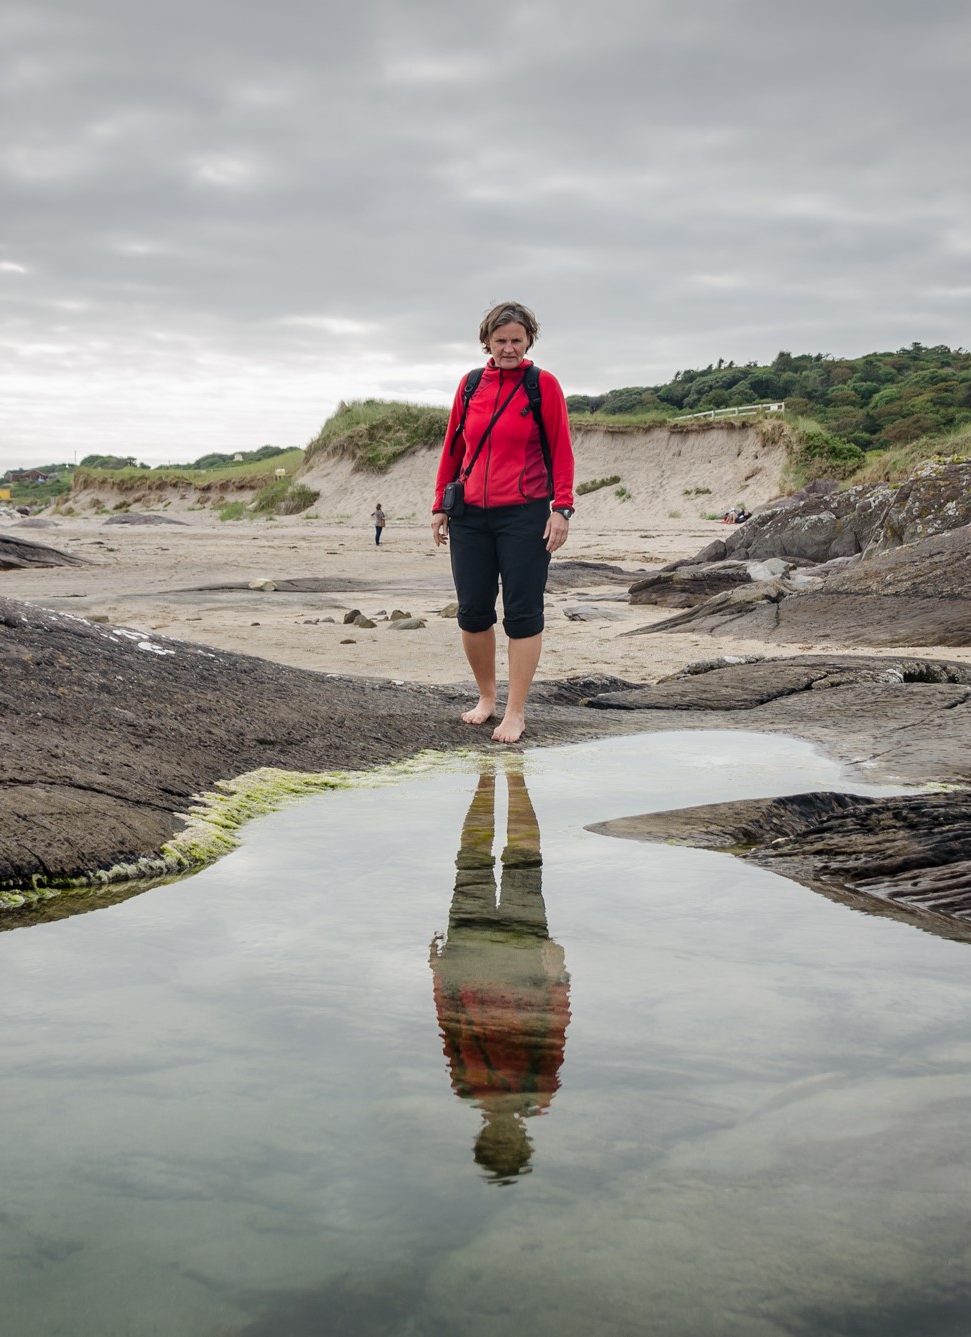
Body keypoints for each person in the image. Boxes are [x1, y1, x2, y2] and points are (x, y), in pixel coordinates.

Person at [430, 301, 576, 744]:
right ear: (487, 343)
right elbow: (453, 448)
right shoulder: (471, 385)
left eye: (516, 340)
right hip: (470, 516)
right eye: (500, 341)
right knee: (473, 612)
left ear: (528, 340)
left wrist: (561, 508)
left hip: (525, 513)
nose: (508, 348)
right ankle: (486, 698)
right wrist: (441, 504)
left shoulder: (542, 385)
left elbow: (562, 450)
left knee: (523, 614)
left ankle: (516, 711)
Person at [428, 764, 569, 1182]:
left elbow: (449, 1029)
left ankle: (491, 779)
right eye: (510, 1148)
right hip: (527, 970)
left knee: (471, 863)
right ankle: (511, 779)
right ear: (523, 1142)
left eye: (497, 1147)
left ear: (484, 1139)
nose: (504, 1140)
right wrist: (559, 978)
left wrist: (439, 975)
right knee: (524, 864)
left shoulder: (465, 1089)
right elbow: (555, 1033)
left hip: (468, 962)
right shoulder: (539, 1094)